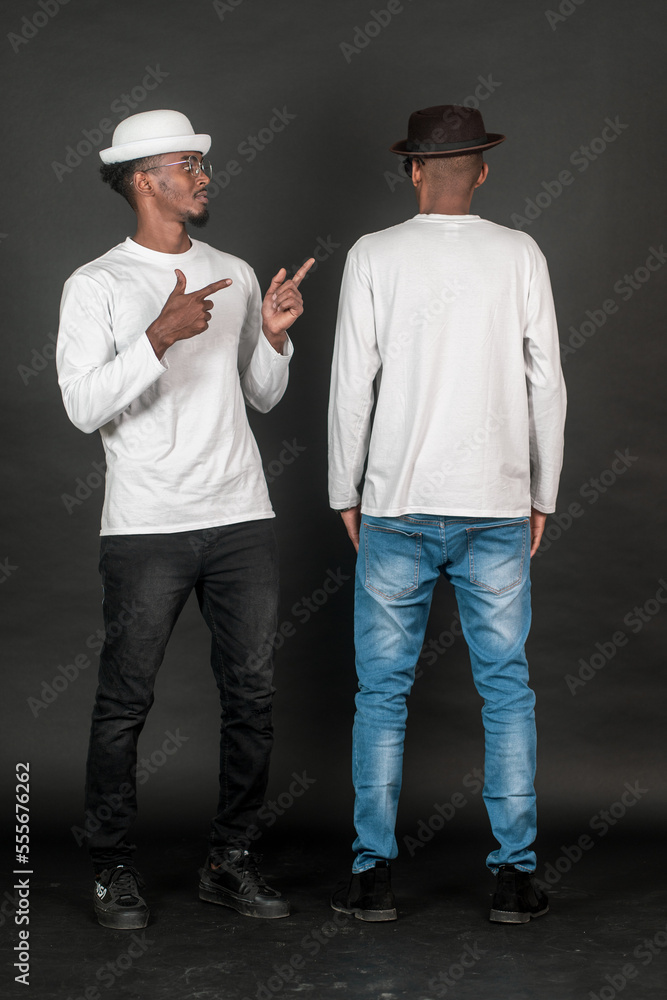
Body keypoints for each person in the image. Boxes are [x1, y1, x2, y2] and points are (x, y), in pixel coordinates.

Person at [56, 109, 314, 929]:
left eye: (202, 164)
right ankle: (110, 867)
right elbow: (82, 406)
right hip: (146, 525)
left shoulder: (232, 272)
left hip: (240, 515)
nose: (204, 177)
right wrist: (158, 338)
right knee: (126, 703)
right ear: (144, 180)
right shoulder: (97, 284)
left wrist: (272, 337)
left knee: (252, 698)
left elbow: (260, 396)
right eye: (187, 165)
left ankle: (229, 862)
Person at [327, 105, 566, 923]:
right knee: (505, 691)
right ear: (483, 172)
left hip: (396, 504)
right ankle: (513, 878)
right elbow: (546, 382)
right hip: (494, 503)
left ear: (412, 170)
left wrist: (345, 490)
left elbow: (351, 382)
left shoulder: (372, 255)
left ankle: (370, 876)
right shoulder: (519, 253)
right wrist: (542, 493)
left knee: (379, 694)